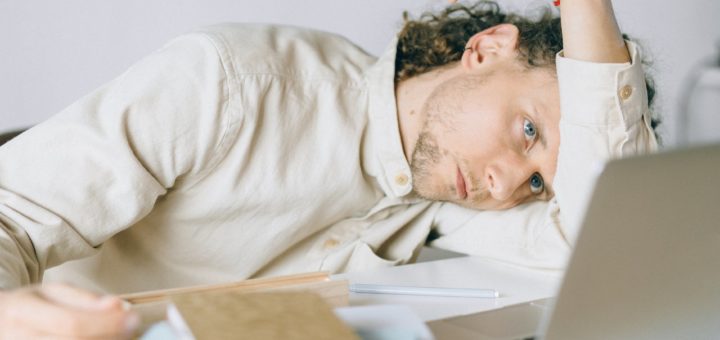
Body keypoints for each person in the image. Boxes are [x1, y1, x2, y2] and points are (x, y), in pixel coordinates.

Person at [0, 0, 657, 338]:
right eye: (528, 130)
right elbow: (11, 213)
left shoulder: (441, 202)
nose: (509, 183)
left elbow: (610, 247)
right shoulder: (232, 82)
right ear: (486, 50)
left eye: (539, 179)